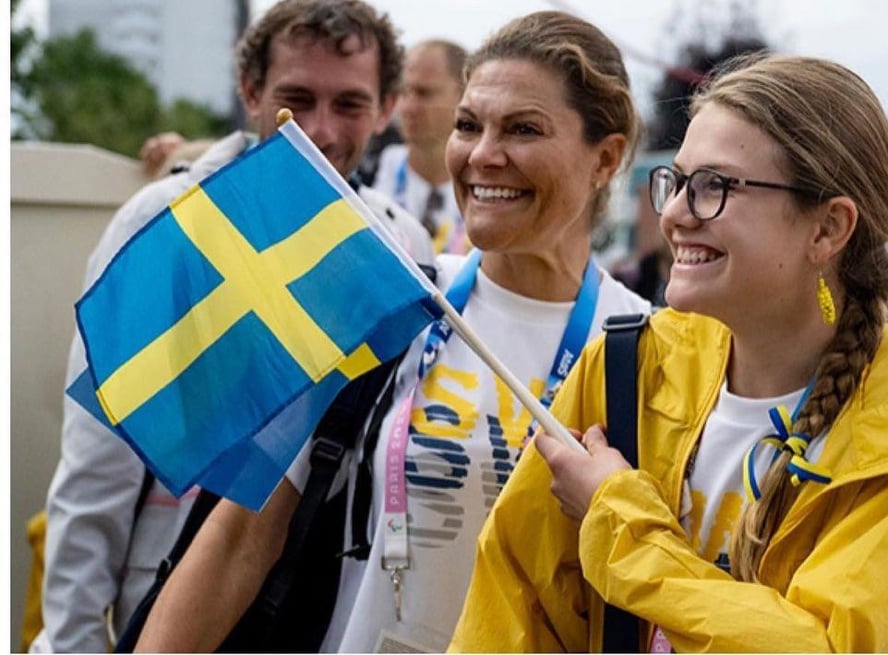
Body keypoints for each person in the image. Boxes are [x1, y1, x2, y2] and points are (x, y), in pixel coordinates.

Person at [450, 54, 888, 653]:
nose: (674, 214)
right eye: (677, 181)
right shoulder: (626, 367)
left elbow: (822, 647)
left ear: (827, 229)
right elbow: (510, 610)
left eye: (715, 186)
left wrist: (618, 520)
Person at [134, 10, 650, 653]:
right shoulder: (393, 298)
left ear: (606, 157)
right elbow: (243, 536)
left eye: (523, 129)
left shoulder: (647, 351)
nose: (485, 155)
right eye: (469, 125)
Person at [37, 1, 433, 651]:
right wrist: (75, 637)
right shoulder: (168, 222)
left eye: (350, 104)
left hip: (322, 613)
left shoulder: (400, 246)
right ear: (250, 92)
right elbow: (97, 460)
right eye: (295, 99)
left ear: (387, 108)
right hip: (172, 600)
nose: (319, 130)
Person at [372, 39, 470, 255]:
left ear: (464, 96)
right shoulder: (368, 172)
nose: (408, 107)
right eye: (404, 92)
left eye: (424, 93)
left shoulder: (489, 186)